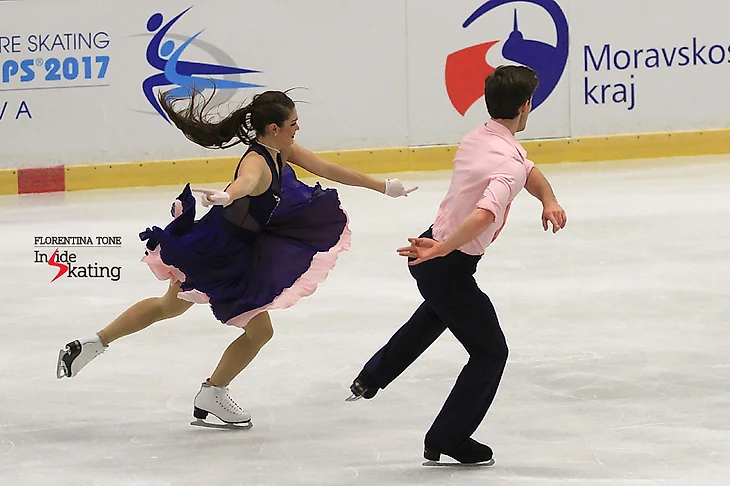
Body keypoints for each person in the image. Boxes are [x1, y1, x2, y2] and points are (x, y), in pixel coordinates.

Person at [56, 88, 417, 428]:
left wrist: (383, 186)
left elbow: (328, 169)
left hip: (236, 245)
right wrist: (228, 197)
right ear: (274, 128)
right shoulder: (258, 161)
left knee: (169, 307)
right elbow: (244, 182)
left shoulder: (281, 150)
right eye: (293, 123)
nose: (298, 128)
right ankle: (212, 392)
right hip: (222, 252)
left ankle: (91, 344)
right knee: (258, 330)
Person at [346, 65, 567, 465]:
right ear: (525, 107)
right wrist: (444, 248)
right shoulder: (508, 163)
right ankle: (448, 437)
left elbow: (529, 172)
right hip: (444, 258)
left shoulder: (479, 139)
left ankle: (372, 376)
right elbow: (484, 214)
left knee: (438, 312)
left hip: (436, 254)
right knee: (490, 352)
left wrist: (547, 199)